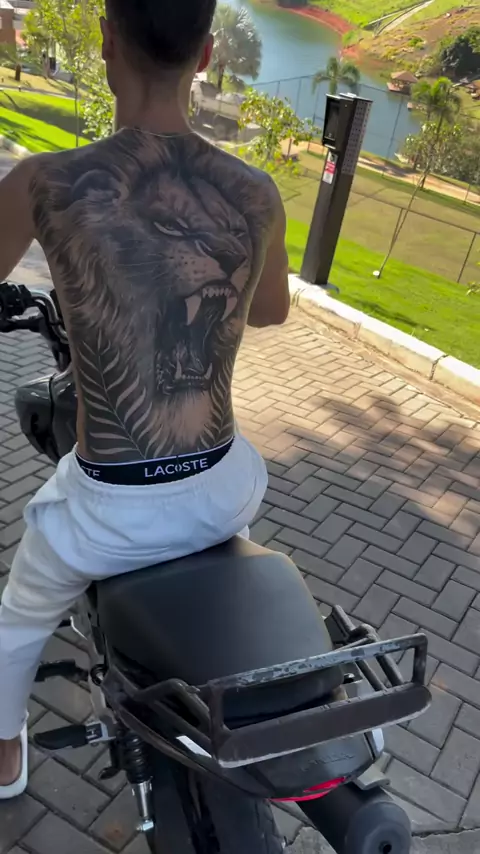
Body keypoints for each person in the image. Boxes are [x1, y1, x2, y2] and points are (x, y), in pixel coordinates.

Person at [0, 0, 290, 797]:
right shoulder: (257, 192)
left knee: (17, 615)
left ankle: (5, 756)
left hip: (110, 512)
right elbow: (271, 310)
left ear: (105, 40)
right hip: (223, 489)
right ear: (206, 55)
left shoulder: (46, 182)